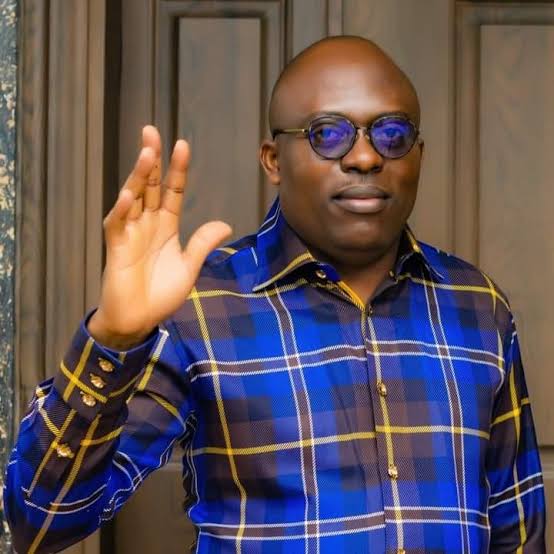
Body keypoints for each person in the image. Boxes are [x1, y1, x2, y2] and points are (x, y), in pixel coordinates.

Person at [4, 35, 545, 553]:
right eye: (328, 134)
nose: (364, 158)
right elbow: (40, 521)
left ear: (418, 154)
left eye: (392, 134)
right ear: (273, 160)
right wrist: (113, 339)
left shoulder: (478, 306)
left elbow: (516, 530)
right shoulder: (198, 308)